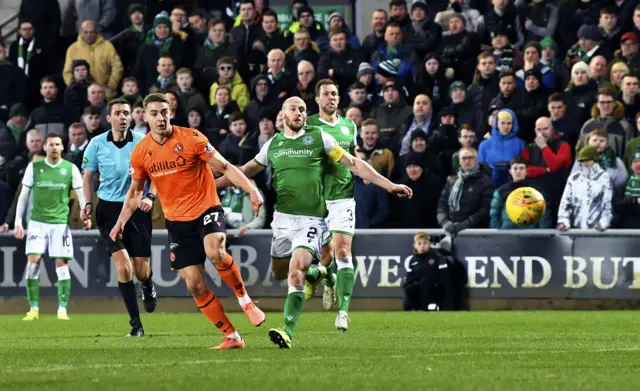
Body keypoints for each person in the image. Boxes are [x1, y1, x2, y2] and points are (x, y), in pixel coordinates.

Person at [215, 96, 412, 348]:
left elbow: (354, 164)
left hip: (311, 221)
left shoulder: (320, 138)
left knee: (295, 274)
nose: (299, 113)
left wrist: (390, 185)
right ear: (282, 115)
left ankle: (287, 331)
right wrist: (209, 184)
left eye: (302, 110)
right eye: (293, 109)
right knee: (280, 273)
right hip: (282, 221)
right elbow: (243, 171)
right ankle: (326, 273)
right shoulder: (274, 144)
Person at [109, 93, 265, 350]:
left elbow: (224, 167)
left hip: (206, 208)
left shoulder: (192, 138)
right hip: (177, 222)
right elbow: (135, 192)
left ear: (171, 112)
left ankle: (244, 299)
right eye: (154, 113)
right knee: (194, 285)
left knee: (215, 249)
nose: (160, 118)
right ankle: (232, 336)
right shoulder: (140, 152)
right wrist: (121, 222)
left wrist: (251, 190)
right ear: (145, 117)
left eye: (164, 112)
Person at [81, 98, 157, 337]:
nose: (123, 117)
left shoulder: (144, 142)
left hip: (138, 209)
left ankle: (147, 284)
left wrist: (151, 197)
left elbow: (157, 175)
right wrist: (88, 203)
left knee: (142, 269)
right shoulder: (96, 144)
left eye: (126, 113)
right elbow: (87, 177)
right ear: (109, 118)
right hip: (109, 210)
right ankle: (136, 325)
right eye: (118, 113)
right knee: (123, 265)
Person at [14, 133, 90, 321]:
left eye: (57, 144)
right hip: (37, 223)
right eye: (51, 144)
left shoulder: (70, 168)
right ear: (45, 147)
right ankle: (33, 309)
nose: (54, 147)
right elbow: (23, 196)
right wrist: (17, 221)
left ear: (62, 147)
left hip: (59, 224)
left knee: (62, 266)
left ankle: (62, 309)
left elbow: (81, 194)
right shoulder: (34, 167)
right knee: (32, 264)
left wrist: (85, 215)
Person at [303, 79, 358, 326]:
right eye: (326, 94)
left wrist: (362, 171)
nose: (331, 98)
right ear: (317, 99)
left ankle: (344, 312)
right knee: (324, 256)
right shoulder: (309, 124)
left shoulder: (349, 126)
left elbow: (353, 155)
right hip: (316, 198)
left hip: (343, 195)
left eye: (335, 93)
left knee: (342, 251)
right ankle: (329, 280)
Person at [489, 157, 552, 229]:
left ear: (526, 171)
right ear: (510, 171)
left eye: (521, 168)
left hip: (531, 235)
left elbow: (544, 214)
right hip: (507, 234)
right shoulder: (501, 191)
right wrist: (497, 234)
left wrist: (543, 235)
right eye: (515, 168)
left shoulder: (537, 191)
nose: (518, 171)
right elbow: (494, 214)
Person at [402, 232, 453, 311]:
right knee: (408, 286)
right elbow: (409, 278)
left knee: (424, 282)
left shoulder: (438, 258)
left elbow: (446, 281)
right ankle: (410, 307)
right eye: (419, 243)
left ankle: (426, 307)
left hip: (434, 289)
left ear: (429, 244)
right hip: (418, 288)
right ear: (415, 245)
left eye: (425, 243)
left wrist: (448, 304)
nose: (422, 246)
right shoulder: (411, 260)